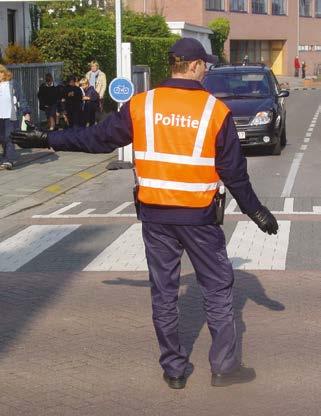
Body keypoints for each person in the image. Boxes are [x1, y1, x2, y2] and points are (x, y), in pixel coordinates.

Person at [11, 38, 278, 389]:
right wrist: (256, 211)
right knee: (217, 288)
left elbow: (97, 138)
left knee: (164, 292)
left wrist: (49, 138)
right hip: (198, 217)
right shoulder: (214, 111)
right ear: (195, 66)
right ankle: (224, 368)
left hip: (155, 216)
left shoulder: (143, 104)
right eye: (206, 66)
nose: (207, 71)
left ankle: (174, 370)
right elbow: (234, 172)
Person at [0, 64, 31, 170]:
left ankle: (8, 160)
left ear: (3, 73)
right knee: (2, 138)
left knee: (8, 137)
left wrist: (26, 112)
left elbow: (21, 98)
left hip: (9, 115)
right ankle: (4, 157)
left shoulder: (13, 84)